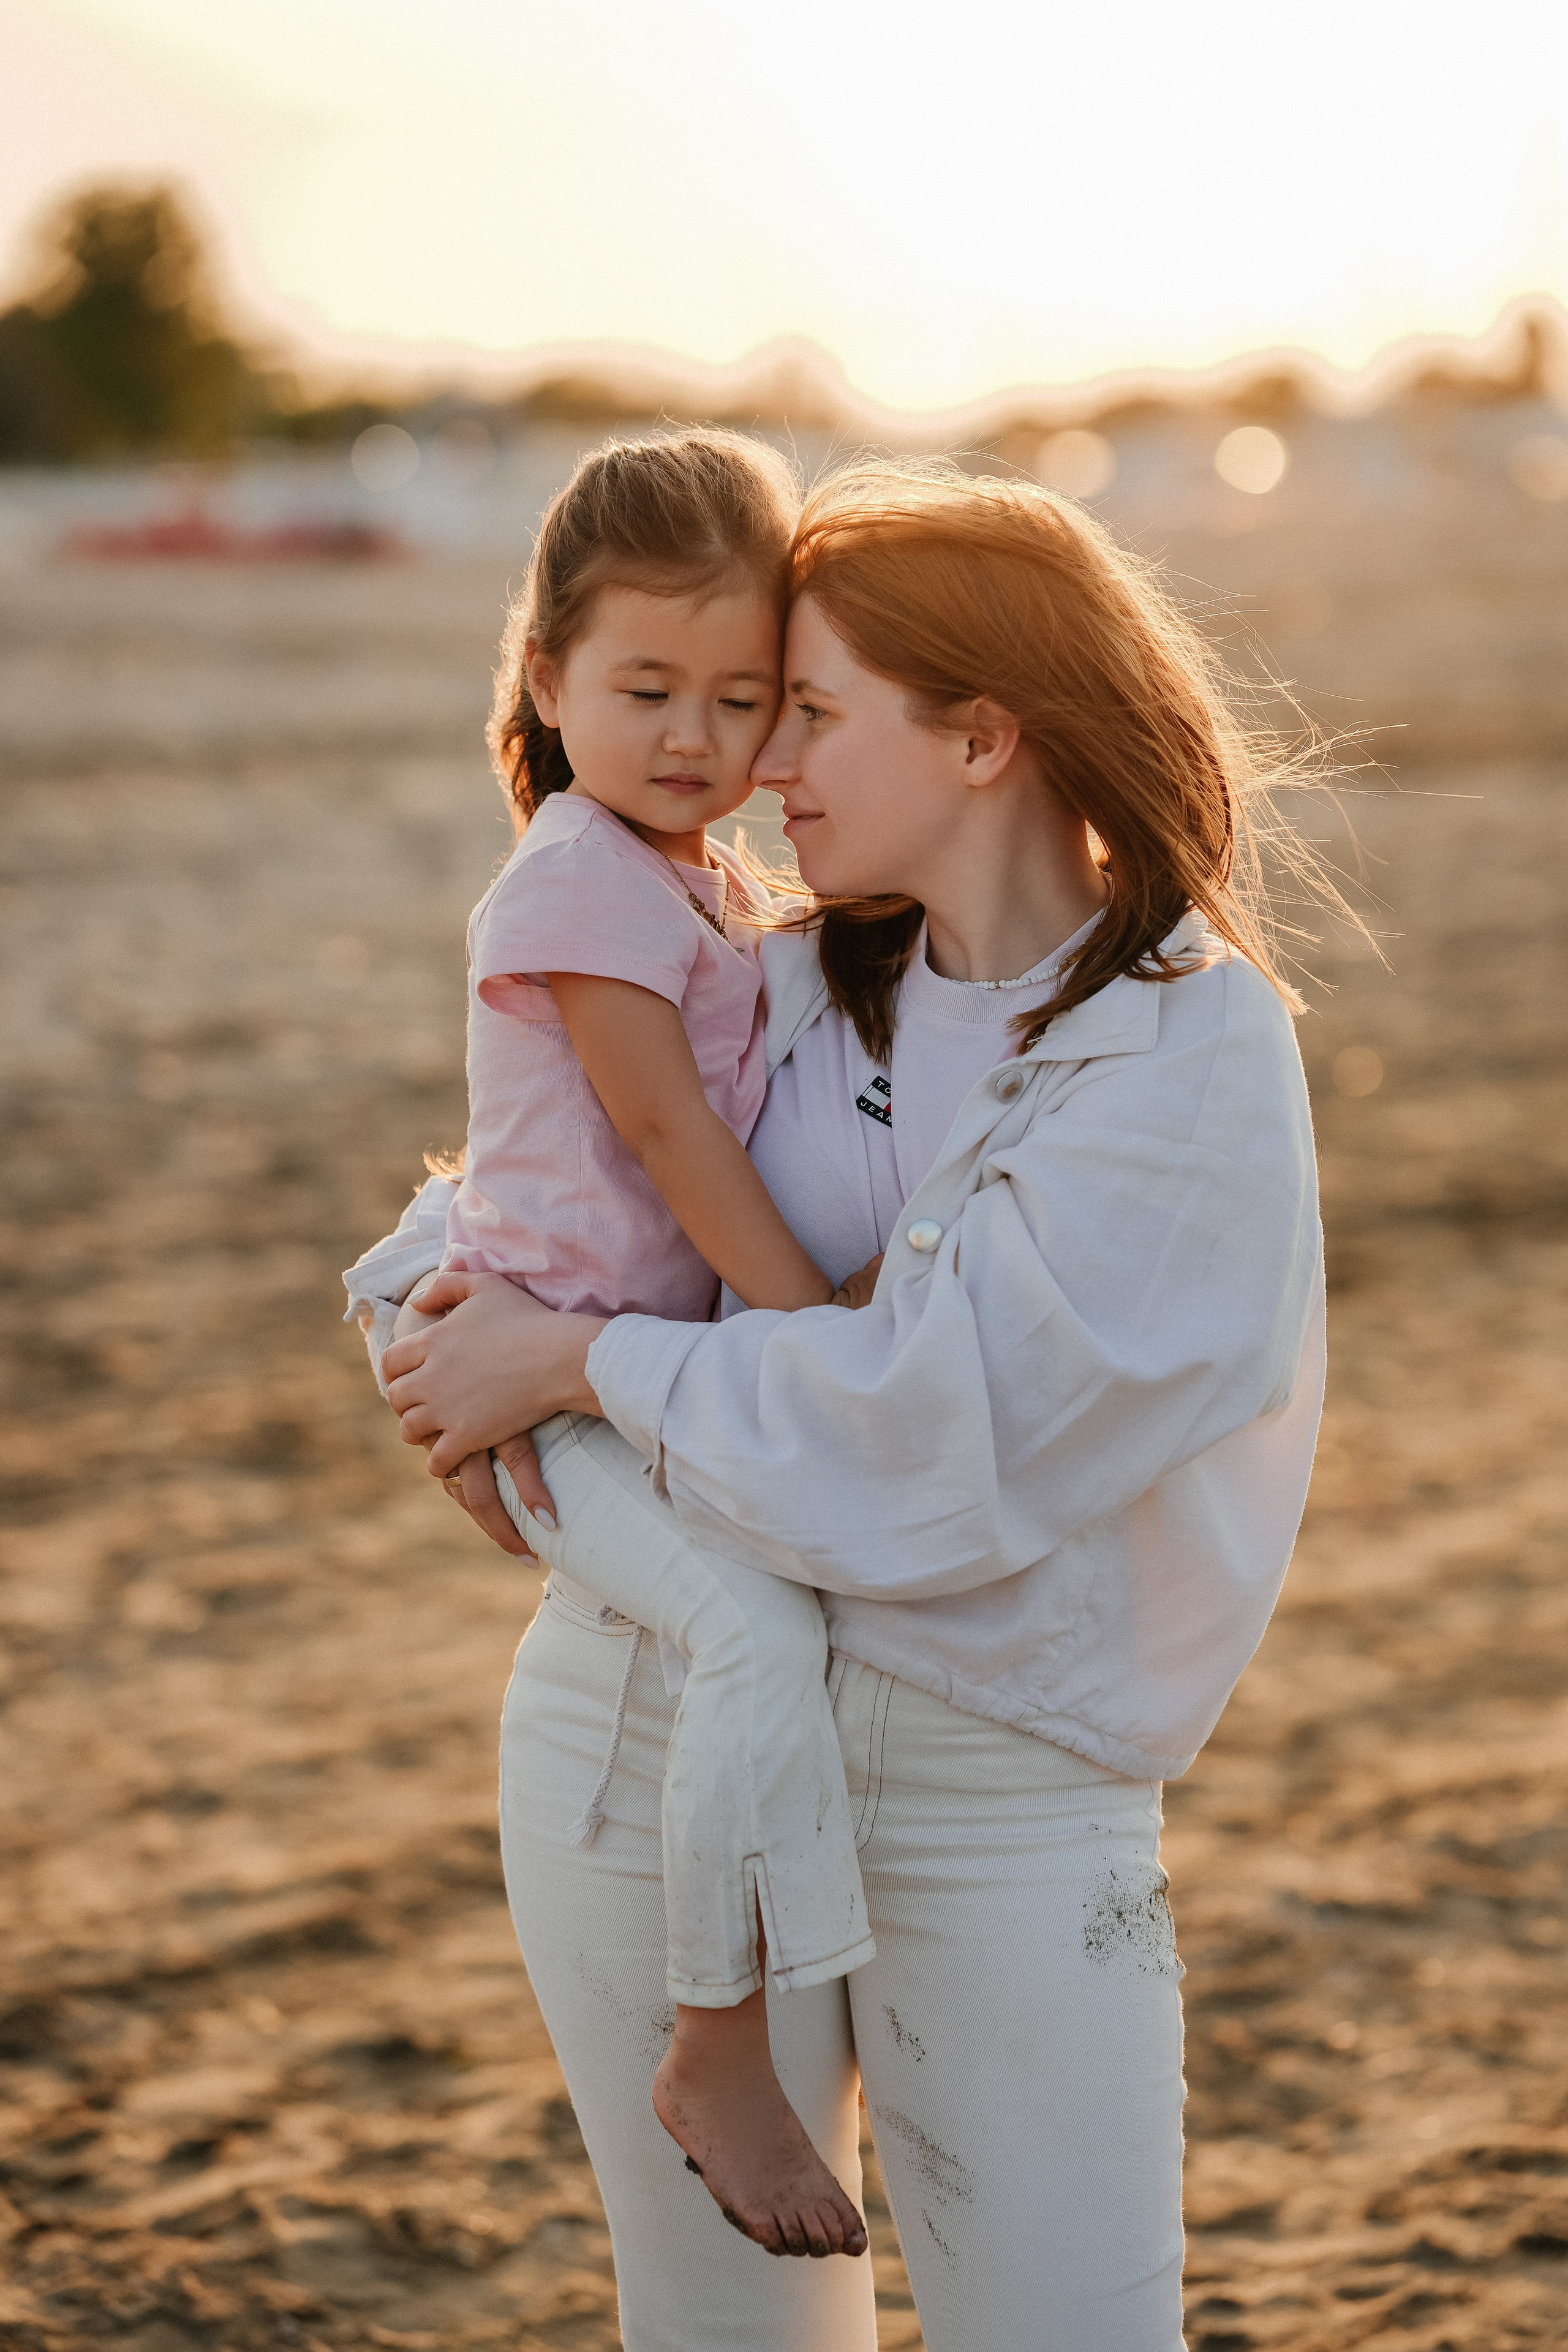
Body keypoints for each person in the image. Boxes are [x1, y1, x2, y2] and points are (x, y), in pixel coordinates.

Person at [372, 459, 1329, 2351]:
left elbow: (933, 1436)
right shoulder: (797, 974)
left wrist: (576, 1366)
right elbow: (538, 1171)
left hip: (1005, 1781)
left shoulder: (1190, 1047)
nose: (757, 763)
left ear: (984, 734)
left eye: (802, 710)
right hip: (649, 1731)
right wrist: (427, 1315)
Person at [349, 429, 887, 2261]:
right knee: (753, 1625)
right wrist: (817, 1332)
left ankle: (816, 2000)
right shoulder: (583, 877)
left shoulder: (700, 878)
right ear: (545, 672)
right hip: (552, 1376)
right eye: (645, 687)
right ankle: (716, 2048)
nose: (693, 737)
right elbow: (670, 1139)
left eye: (740, 699)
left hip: (612, 1355)